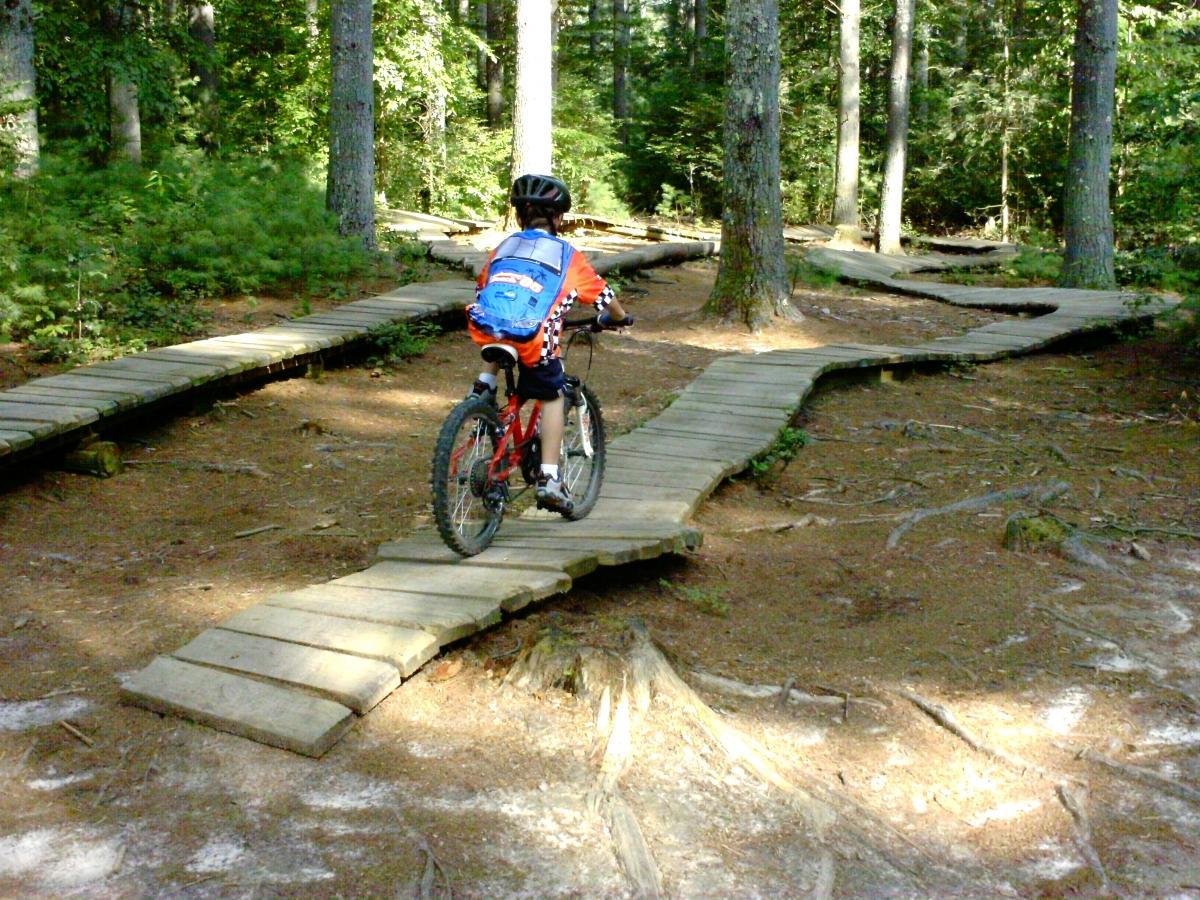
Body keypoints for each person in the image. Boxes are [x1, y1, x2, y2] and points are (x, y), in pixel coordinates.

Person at [465, 173, 633, 512]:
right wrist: (618, 318)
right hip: (534, 338)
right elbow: (604, 296)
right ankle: (550, 477)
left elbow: (484, 285)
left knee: (502, 324)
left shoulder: (504, 247)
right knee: (553, 394)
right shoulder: (566, 254)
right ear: (558, 219)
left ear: (519, 217)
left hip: (485, 327)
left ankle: (484, 385)